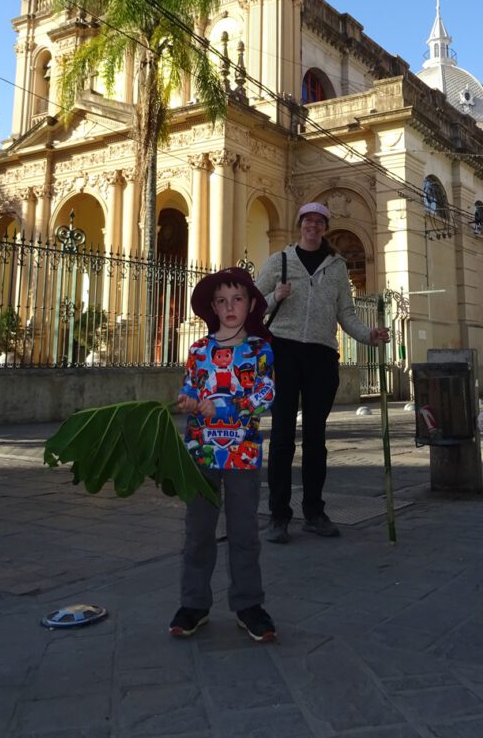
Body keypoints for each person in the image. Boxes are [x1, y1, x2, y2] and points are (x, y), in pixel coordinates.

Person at [256, 202, 389, 543]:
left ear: (324, 227)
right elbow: (254, 306)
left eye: (319, 221)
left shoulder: (337, 267)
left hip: (321, 354)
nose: (313, 226)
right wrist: (275, 294)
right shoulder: (279, 261)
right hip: (283, 352)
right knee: (283, 437)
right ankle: (278, 515)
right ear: (299, 224)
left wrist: (368, 336)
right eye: (308, 220)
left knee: (316, 438)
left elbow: (347, 313)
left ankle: (314, 512)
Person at [169, 267, 277, 642]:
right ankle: (194, 603)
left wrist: (225, 410)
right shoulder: (198, 350)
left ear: (249, 305)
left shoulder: (261, 349)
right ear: (212, 307)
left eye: (237, 299)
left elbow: (265, 395)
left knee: (244, 532)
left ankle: (249, 605)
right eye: (221, 301)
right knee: (197, 531)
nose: (229, 306)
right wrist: (188, 401)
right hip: (201, 454)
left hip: (242, 455)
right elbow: (191, 387)